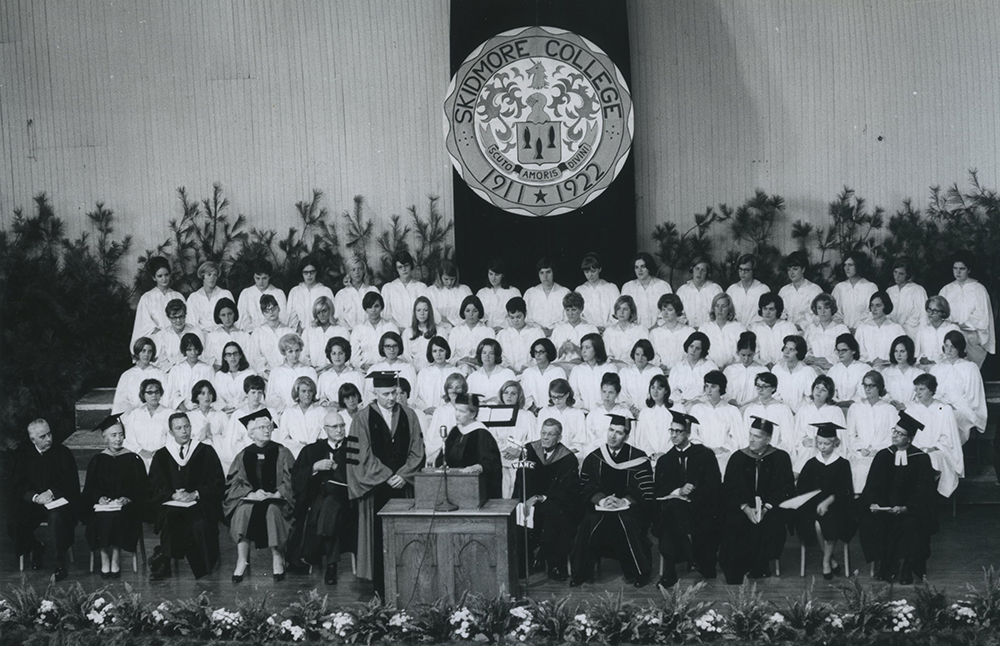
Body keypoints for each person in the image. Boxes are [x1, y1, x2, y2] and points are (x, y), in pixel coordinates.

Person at [345, 371, 425, 596]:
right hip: (376, 488)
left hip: (403, 485)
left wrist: (404, 474)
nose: (392, 398)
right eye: (386, 393)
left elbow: (417, 451)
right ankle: (381, 588)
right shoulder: (361, 418)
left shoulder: (409, 415)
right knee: (379, 539)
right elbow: (360, 456)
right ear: (374, 393)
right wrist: (387, 475)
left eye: (395, 393)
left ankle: (408, 585)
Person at [570, 414, 655, 587]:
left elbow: (645, 489)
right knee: (589, 521)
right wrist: (601, 500)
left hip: (629, 508)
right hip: (600, 507)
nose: (612, 435)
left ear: (627, 436)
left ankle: (640, 573)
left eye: (618, 432)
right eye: (611, 430)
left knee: (628, 521)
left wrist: (624, 502)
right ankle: (580, 573)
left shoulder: (638, 457)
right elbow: (585, 486)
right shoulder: (594, 457)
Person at [858, 411, 939, 584]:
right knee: (869, 522)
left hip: (910, 510)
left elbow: (924, 492)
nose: (895, 435)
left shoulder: (921, 459)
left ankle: (907, 567)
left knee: (912, 525)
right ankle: (887, 566)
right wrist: (873, 503)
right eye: (894, 431)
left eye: (900, 433)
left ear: (909, 439)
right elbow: (872, 485)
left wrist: (906, 508)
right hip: (884, 509)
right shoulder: (883, 455)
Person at [148, 413, 225, 580]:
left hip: (200, 505)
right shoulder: (162, 455)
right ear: (170, 432)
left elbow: (217, 482)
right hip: (172, 505)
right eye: (178, 428)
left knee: (199, 523)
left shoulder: (205, 451)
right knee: (170, 517)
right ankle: (164, 565)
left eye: (186, 426)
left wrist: (195, 494)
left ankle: (203, 567)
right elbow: (154, 486)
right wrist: (172, 495)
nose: (184, 431)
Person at [719, 416, 795, 584]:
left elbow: (786, 488)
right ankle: (740, 567)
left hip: (770, 508)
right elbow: (730, 488)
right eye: (751, 434)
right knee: (734, 522)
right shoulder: (738, 458)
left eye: (757, 436)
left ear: (768, 439)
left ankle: (760, 565)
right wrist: (746, 508)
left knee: (770, 523)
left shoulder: (781, 458)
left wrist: (766, 508)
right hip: (743, 508)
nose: (751, 439)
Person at [224, 409, 295, 583]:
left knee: (271, 510)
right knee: (243, 511)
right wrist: (251, 493)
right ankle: (242, 560)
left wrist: (276, 493)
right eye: (262, 427)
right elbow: (234, 482)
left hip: (277, 500)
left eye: (269, 427)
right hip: (252, 498)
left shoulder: (282, 452)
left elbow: (292, 479)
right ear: (251, 433)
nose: (267, 430)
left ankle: (277, 557)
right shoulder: (243, 455)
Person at [288, 410, 358, 585]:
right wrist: (314, 467)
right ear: (325, 429)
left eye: (342, 425)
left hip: (345, 500)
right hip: (316, 500)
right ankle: (331, 566)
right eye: (334, 427)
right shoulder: (312, 450)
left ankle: (313, 554)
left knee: (330, 506)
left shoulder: (354, 448)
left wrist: (336, 468)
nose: (340, 430)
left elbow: (358, 476)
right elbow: (296, 478)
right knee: (329, 512)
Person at [654, 410, 722, 587]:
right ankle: (689, 558)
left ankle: (673, 569)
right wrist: (678, 491)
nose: (674, 435)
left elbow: (715, 485)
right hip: (675, 509)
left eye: (679, 432)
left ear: (689, 433)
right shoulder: (665, 460)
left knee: (672, 516)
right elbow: (658, 490)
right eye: (672, 431)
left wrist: (693, 493)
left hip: (700, 507)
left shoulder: (705, 455)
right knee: (672, 511)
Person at [8, 419, 79, 581]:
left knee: (57, 517)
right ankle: (36, 547)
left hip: (58, 502)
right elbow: (17, 486)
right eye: (43, 437)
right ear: (33, 439)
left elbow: (70, 482)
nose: (49, 439)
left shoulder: (62, 452)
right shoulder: (23, 455)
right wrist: (34, 497)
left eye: (49, 434)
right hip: (33, 504)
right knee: (14, 520)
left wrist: (52, 492)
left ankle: (60, 562)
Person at [80, 414, 149, 578]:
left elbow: (142, 488)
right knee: (102, 515)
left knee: (117, 516)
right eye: (113, 435)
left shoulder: (133, 459)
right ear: (104, 438)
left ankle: (116, 557)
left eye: (121, 434)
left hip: (127, 507)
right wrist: (99, 498)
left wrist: (128, 498)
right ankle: (105, 557)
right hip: (103, 506)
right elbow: (90, 488)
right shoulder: (97, 460)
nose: (118, 439)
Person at [512, 418, 581, 582]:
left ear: (559, 437)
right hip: (530, 501)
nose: (545, 437)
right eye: (543, 433)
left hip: (556, 502)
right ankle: (525, 564)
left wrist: (541, 497)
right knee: (520, 514)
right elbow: (521, 480)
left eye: (551, 434)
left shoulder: (567, 458)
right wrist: (524, 500)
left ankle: (554, 565)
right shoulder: (529, 449)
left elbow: (568, 490)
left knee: (553, 514)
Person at [793, 422, 856, 579]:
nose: (822, 447)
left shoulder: (842, 464)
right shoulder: (811, 463)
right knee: (815, 524)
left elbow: (846, 490)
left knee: (829, 521)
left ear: (835, 443)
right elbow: (802, 489)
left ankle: (826, 561)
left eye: (827, 443)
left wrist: (828, 501)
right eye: (819, 443)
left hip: (836, 505)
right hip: (812, 506)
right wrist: (815, 502)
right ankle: (831, 559)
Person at [905, 373, 964, 497]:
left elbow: (949, 438)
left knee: (930, 458)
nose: (918, 393)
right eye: (916, 389)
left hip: (938, 450)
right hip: (915, 450)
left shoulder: (944, 409)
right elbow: (907, 435)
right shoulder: (911, 410)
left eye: (922, 389)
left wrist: (933, 448)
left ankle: (927, 497)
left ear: (931, 390)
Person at [436, 393, 503, 499]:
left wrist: (479, 467)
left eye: (462, 411)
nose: (457, 414)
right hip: (452, 487)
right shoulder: (455, 431)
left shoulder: (482, 433)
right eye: (456, 410)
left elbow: (492, 463)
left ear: (473, 414)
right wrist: (443, 464)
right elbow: (442, 457)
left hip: (474, 490)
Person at [938, 250, 995, 366]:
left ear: (969, 270)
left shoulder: (978, 289)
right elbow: (940, 313)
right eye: (955, 268)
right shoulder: (946, 290)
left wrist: (963, 325)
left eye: (962, 269)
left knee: (967, 370)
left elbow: (982, 316)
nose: (958, 272)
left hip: (971, 338)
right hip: (950, 336)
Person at [929, 330, 987, 443]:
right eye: (946, 346)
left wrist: (953, 405)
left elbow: (973, 397)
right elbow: (931, 392)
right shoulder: (936, 369)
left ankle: (948, 453)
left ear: (960, 348)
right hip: (939, 406)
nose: (949, 350)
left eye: (953, 347)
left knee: (947, 417)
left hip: (962, 410)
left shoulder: (970, 368)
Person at [845, 371, 898, 491]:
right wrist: (860, 449)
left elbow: (893, 434)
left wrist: (879, 449)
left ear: (879, 387)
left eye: (871, 386)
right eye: (865, 385)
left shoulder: (889, 410)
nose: (867, 389)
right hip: (859, 453)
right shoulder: (855, 408)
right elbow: (850, 434)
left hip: (882, 452)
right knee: (858, 468)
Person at [689, 370, 745, 472]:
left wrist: (724, 448)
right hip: (701, 457)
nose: (709, 390)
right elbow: (692, 436)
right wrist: (705, 450)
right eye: (707, 386)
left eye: (713, 386)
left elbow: (738, 438)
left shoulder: (732, 410)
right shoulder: (696, 409)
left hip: (725, 457)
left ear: (721, 388)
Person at [791, 375, 847, 471]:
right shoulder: (804, 410)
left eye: (823, 390)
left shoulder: (835, 411)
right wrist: (804, 441)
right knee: (807, 453)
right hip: (806, 448)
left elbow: (840, 437)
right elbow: (797, 435)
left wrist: (816, 443)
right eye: (817, 387)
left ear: (829, 394)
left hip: (828, 448)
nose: (819, 391)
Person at [223, 375, 278, 473]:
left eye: (259, 392)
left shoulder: (270, 412)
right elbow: (231, 442)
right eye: (253, 392)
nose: (256, 396)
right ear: (246, 393)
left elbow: (276, 438)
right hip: (244, 457)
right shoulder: (238, 414)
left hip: (268, 456)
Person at [131, 256, 184, 348]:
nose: (164, 279)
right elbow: (143, 323)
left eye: (166, 275)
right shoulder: (147, 298)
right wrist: (162, 335)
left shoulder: (177, 296)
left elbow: (185, 318)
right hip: (156, 339)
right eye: (160, 276)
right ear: (154, 278)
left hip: (177, 336)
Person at [497, 381, 539, 497]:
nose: (509, 396)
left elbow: (533, 439)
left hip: (521, 460)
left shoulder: (527, 415)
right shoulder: (496, 414)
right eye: (506, 393)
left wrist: (519, 451)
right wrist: (506, 448)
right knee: (503, 493)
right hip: (501, 458)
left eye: (513, 393)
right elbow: (492, 438)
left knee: (519, 494)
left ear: (519, 396)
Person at [123, 378, 172, 470]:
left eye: (156, 392)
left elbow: (172, 439)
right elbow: (129, 439)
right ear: (143, 395)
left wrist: (160, 452)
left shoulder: (169, 413)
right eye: (149, 392)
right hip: (138, 458)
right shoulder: (135, 414)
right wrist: (140, 450)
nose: (154, 395)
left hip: (162, 457)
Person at [741, 372, 795, 455]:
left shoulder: (783, 409)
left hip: (775, 454)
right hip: (753, 454)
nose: (760, 390)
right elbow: (745, 437)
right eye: (758, 386)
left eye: (765, 386)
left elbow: (787, 439)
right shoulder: (750, 409)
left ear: (773, 388)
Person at [113, 337, 167, 415]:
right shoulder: (127, 375)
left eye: (150, 351)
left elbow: (165, 397)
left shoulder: (159, 373)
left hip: (156, 413)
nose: (146, 355)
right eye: (143, 351)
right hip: (133, 416)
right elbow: (121, 402)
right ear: (138, 352)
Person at [536, 378, 588, 457]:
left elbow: (579, 440)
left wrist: (566, 453)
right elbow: (539, 438)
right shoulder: (544, 412)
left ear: (567, 394)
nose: (556, 400)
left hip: (571, 455)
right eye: (553, 397)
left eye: (559, 397)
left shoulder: (578, 414)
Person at [275, 376, 326, 458]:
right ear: (297, 392)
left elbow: (325, 435)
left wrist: (313, 446)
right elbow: (283, 439)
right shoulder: (288, 413)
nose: (307, 394)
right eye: (303, 391)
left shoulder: (321, 411)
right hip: (295, 455)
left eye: (310, 391)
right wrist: (299, 446)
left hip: (317, 453)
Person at [266, 333, 318, 409]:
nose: (294, 355)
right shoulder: (276, 372)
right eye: (290, 351)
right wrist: (285, 410)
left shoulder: (309, 371)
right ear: (284, 352)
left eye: (297, 351)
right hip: (282, 413)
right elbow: (272, 397)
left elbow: (313, 394)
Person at [583, 373, 631, 456]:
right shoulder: (593, 413)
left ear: (617, 393)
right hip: (597, 454)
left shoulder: (625, 413)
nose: (607, 396)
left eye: (611, 392)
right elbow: (589, 440)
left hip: (619, 454)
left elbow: (629, 439)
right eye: (604, 392)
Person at [668, 331, 718, 410]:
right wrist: (681, 400)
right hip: (681, 406)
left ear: (703, 350)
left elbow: (714, 393)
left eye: (697, 348)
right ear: (687, 346)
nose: (693, 350)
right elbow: (671, 391)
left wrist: (696, 401)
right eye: (691, 346)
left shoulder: (710, 367)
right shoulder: (677, 368)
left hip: (704, 407)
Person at [348, 292, 398, 371]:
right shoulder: (358, 329)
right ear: (365, 309)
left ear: (382, 307)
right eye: (370, 307)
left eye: (376, 306)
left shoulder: (390, 327)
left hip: (387, 369)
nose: (373, 310)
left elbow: (396, 351)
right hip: (365, 371)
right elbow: (353, 355)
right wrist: (362, 365)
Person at [622, 252, 673, 329]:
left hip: (659, 330)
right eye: (636, 267)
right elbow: (624, 311)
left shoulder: (663, 286)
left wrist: (654, 328)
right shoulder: (628, 287)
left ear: (649, 267)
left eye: (643, 266)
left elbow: (668, 311)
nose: (640, 270)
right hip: (634, 331)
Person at [165, 333, 215, 410]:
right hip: (181, 411)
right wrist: (185, 410)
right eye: (189, 350)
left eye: (195, 349)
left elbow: (212, 393)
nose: (193, 353)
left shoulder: (208, 369)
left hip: (202, 410)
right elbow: (173, 395)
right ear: (184, 351)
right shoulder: (176, 370)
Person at [569, 333, 618, 411]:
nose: (583, 351)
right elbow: (574, 395)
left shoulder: (609, 368)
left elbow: (613, 393)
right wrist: (581, 408)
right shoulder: (577, 370)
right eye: (582, 347)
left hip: (605, 412)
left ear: (596, 349)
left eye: (587, 347)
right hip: (583, 412)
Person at [855, 291, 906, 367]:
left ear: (885, 306)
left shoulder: (896, 329)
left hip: (891, 369)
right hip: (867, 369)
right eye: (872, 306)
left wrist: (886, 362)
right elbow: (858, 354)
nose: (874, 309)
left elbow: (902, 353)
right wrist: (870, 363)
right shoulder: (862, 328)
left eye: (878, 305)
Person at [247, 295, 295, 374]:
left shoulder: (289, 331)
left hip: (287, 373)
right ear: (263, 313)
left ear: (279, 309)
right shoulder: (258, 332)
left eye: (273, 308)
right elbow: (254, 357)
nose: (271, 312)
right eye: (267, 310)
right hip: (266, 375)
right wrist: (267, 371)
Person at [364, 331, 417, 403]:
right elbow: (368, 395)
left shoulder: (408, 368)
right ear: (382, 348)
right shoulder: (374, 369)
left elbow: (412, 395)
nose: (392, 350)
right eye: (388, 346)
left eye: (395, 346)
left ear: (399, 347)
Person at [287, 256, 335, 334]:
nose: (309, 275)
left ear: (316, 272)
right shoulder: (295, 292)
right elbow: (291, 317)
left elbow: (332, 315)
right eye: (306, 272)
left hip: (321, 333)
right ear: (301, 273)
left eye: (312, 272)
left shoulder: (325, 291)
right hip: (301, 334)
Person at [413, 336, 462, 413]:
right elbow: (417, 396)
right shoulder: (424, 373)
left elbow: (460, 396)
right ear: (431, 353)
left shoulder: (456, 372)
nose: (438, 354)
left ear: (446, 351)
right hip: (428, 414)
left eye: (441, 350)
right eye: (434, 351)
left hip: (450, 413)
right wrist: (425, 409)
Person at [427, 372, 468, 464]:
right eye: (450, 387)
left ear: (463, 390)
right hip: (444, 454)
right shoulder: (440, 411)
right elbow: (431, 439)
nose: (454, 390)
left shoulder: (469, 410)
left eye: (458, 387)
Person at [831, 251, 878, 331]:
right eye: (845, 265)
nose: (847, 268)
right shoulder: (839, 288)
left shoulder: (870, 287)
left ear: (858, 266)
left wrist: (858, 329)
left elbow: (872, 313)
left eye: (850, 265)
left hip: (865, 331)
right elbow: (834, 312)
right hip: (842, 332)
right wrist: (844, 329)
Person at [381, 251, 429, 329]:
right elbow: (385, 315)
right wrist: (398, 329)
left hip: (418, 331)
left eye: (406, 265)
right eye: (400, 267)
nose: (404, 269)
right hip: (395, 332)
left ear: (411, 266)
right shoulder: (388, 288)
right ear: (396, 269)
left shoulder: (421, 287)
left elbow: (427, 312)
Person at [631, 374, 675, 460]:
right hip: (650, 457)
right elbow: (642, 438)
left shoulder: (673, 411)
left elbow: (675, 436)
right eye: (653, 387)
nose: (655, 391)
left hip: (670, 455)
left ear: (666, 391)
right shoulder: (645, 412)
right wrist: (651, 453)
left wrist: (664, 452)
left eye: (659, 388)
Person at [777, 251, 823, 330]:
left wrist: (801, 326)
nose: (791, 273)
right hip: (787, 332)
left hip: (809, 333)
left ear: (803, 269)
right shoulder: (784, 291)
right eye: (789, 269)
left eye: (795, 269)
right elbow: (779, 313)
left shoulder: (815, 290)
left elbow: (819, 315)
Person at [802, 293, 850, 371]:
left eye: (826, 308)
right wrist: (813, 360)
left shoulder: (841, 329)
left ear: (832, 309)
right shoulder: (811, 329)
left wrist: (824, 360)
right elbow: (805, 350)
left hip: (835, 367)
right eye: (819, 308)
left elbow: (845, 352)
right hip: (813, 368)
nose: (823, 311)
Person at [524, 257, 572, 334]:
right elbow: (526, 318)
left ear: (553, 272)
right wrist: (539, 330)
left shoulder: (564, 292)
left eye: (548, 272)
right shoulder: (530, 293)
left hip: (559, 333)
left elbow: (568, 318)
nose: (545, 276)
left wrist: (554, 330)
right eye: (541, 273)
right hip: (535, 334)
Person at [749, 293, 798, 367]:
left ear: (778, 310)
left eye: (771, 309)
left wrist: (780, 365)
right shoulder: (754, 328)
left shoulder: (789, 327)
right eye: (765, 309)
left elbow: (795, 350)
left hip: (785, 367)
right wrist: (765, 364)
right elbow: (752, 353)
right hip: (761, 367)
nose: (767, 312)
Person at [237, 260, 288, 331]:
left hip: (273, 332)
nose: (261, 282)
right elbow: (242, 320)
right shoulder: (246, 293)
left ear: (269, 277)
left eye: (264, 278)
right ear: (253, 276)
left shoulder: (278, 293)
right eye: (257, 278)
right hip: (252, 333)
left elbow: (283, 318)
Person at [153, 299, 203, 370]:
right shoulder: (161, 335)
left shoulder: (196, 331)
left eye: (181, 316)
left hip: (195, 371)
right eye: (174, 317)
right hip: (170, 374)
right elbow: (158, 360)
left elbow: (203, 355)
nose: (178, 320)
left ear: (185, 315)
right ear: (168, 317)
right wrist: (175, 370)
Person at [771, 335, 817, 412]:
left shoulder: (808, 372)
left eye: (791, 349)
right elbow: (774, 394)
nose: (787, 352)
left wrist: (798, 413)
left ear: (799, 352)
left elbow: (811, 398)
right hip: (780, 412)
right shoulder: (777, 369)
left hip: (802, 414)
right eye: (786, 348)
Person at [496, 297, 543, 372]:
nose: (515, 321)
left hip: (531, 372)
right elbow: (499, 356)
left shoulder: (536, 333)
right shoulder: (503, 334)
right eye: (512, 317)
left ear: (525, 314)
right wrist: (508, 367)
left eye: (518, 317)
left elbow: (541, 354)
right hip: (507, 373)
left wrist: (528, 366)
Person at [520, 338, 567, 412]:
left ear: (548, 352)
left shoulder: (558, 371)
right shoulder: (528, 372)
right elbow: (524, 395)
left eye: (541, 352)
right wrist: (533, 408)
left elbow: (561, 394)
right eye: (535, 352)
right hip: (533, 413)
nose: (538, 355)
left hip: (555, 412)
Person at [649, 294, 695, 370]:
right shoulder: (655, 333)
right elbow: (652, 355)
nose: (665, 313)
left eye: (669, 310)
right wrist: (658, 365)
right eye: (663, 309)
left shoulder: (689, 332)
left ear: (677, 311)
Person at [551, 291, 599, 364]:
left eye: (574, 310)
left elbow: (596, 356)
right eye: (567, 310)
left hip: (583, 366)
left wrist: (577, 349)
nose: (570, 314)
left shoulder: (590, 329)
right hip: (561, 366)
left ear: (581, 309)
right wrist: (561, 350)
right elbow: (551, 356)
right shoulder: (558, 329)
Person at [301, 296, 350, 368]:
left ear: (330, 310)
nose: (321, 315)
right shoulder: (309, 331)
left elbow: (346, 355)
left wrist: (329, 368)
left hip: (335, 370)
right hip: (314, 371)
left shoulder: (341, 331)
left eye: (324, 311)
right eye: (318, 312)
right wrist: (312, 368)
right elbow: (303, 354)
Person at [699, 293, 745, 369]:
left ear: (729, 308)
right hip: (708, 368)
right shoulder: (704, 327)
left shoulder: (739, 327)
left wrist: (729, 366)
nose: (720, 309)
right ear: (713, 308)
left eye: (723, 306)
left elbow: (743, 351)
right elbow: (701, 351)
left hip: (734, 368)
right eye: (717, 306)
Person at [886, 258, 928, 339]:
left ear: (908, 275)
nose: (897, 276)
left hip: (912, 334)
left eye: (901, 274)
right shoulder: (890, 291)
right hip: (892, 334)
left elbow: (924, 317)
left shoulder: (918, 290)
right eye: (895, 272)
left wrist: (922, 338)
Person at [449, 294, 496, 367]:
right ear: (463, 312)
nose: (471, 314)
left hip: (481, 368)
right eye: (467, 311)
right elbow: (449, 357)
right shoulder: (455, 331)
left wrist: (471, 360)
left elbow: (492, 356)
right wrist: (460, 362)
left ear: (479, 312)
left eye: (475, 311)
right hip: (460, 368)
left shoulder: (488, 331)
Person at [676, 256, 723, 329]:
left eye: (703, 270)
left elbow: (720, 312)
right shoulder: (682, 290)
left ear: (707, 272)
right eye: (697, 269)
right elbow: (678, 313)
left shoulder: (715, 289)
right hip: (687, 331)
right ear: (692, 269)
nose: (699, 273)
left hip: (710, 331)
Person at [426, 259, 473, 331]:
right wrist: (449, 322)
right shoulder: (431, 291)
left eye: (452, 279)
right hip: (439, 330)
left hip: (462, 329)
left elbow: (470, 311)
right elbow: (433, 314)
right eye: (446, 279)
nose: (449, 282)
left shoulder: (464, 290)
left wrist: (453, 323)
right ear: (440, 276)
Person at [317, 337, 365, 409]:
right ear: (329, 355)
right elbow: (321, 400)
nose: (337, 357)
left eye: (341, 353)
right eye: (334, 353)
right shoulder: (324, 377)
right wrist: (330, 405)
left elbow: (363, 401)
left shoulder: (357, 376)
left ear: (346, 354)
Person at [187, 261, 234, 333]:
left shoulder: (225, 294)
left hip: (222, 333)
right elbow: (191, 323)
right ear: (203, 276)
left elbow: (232, 318)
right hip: (201, 334)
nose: (212, 278)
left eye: (215, 275)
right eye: (209, 275)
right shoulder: (194, 297)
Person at [335, 256, 380, 330]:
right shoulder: (341, 294)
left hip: (370, 332)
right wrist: (350, 331)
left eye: (360, 269)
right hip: (349, 333)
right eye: (353, 269)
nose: (357, 272)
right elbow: (339, 319)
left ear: (364, 271)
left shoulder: (372, 290)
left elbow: (379, 312)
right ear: (348, 272)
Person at [723, 332, 767, 408]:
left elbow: (765, 393)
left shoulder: (762, 370)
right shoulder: (730, 370)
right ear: (738, 352)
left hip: (754, 408)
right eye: (743, 355)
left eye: (749, 355)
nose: (746, 359)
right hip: (731, 407)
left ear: (754, 353)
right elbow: (723, 390)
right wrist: (729, 400)